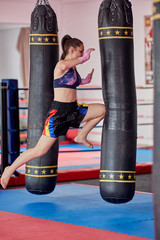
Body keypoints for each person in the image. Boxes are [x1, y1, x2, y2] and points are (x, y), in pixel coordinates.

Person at [0, 35, 106, 189]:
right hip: (59, 114)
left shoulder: (73, 68)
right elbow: (63, 69)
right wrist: (83, 59)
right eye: (80, 51)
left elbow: (70, 82)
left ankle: (81, 135)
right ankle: (9, 169)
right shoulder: (61, 64)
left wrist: (84, 81)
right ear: (72, 50)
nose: (82, 54)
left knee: (102, 110)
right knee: (39, 150)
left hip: (74, 109)